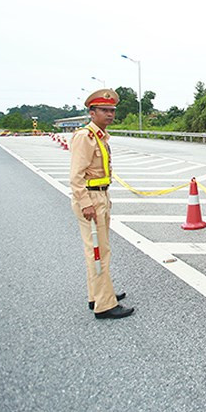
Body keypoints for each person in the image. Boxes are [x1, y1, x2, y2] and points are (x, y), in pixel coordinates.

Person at [69, 89, 134, 319]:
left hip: (101, 197)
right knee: (98, 252)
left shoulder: (100, 136)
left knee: (99, 250)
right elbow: (76, 176)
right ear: (92, 112)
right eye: (104, 110)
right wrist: (86, 203)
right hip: (91, 200)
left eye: (112, 110)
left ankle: (98, 295)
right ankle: (104, 306)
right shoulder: (84, 137)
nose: (110, 114)